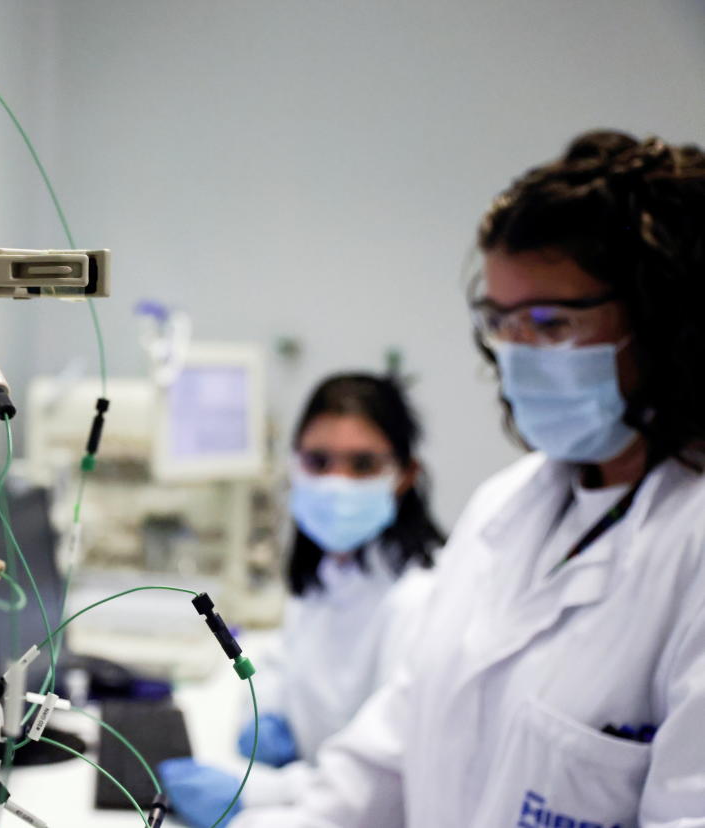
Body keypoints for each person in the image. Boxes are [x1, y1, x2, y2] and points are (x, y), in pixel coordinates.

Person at [228, 130, 705, 828]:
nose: (516, 354)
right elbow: (390, 757)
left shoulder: (691, 544)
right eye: (500, 322)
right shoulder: (503, 509)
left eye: (550, 322)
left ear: (664, 326)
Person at [160, 373, 445, 827]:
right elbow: (286, 659)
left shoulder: (421, 600)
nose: (337, 484)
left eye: (363, 464)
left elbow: (386, 784)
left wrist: (255, 797)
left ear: (404, 475)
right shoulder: (330, 571)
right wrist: (269, 712)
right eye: (318, 461)